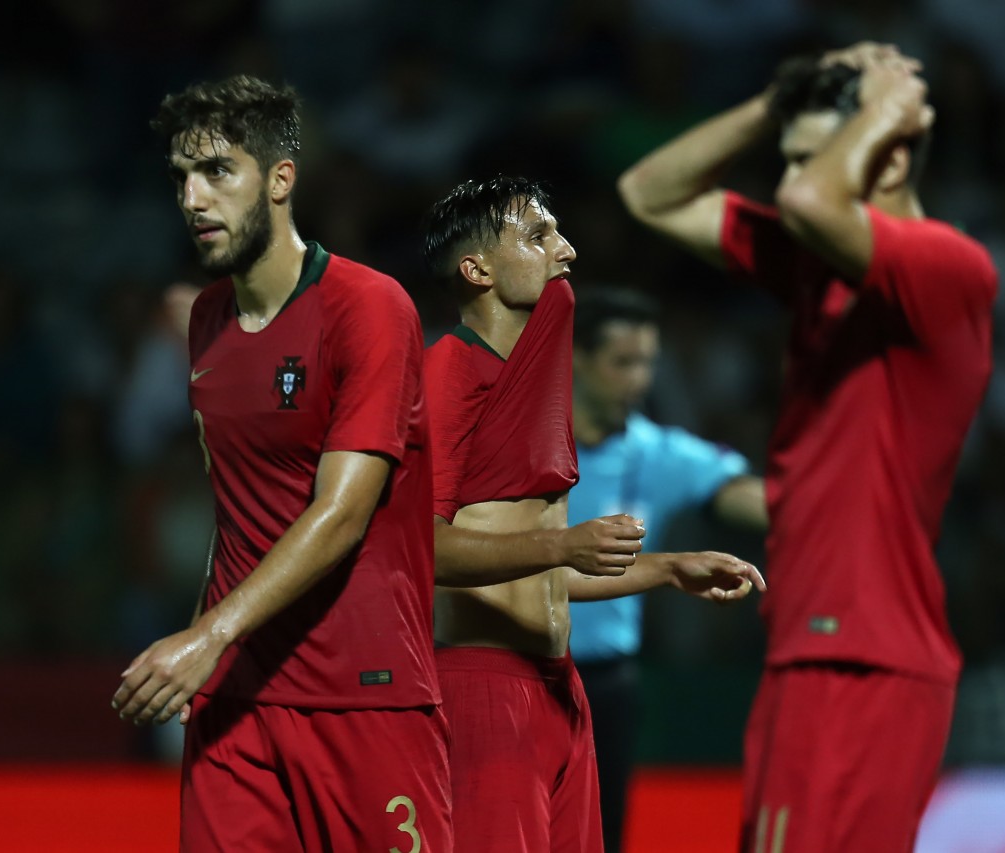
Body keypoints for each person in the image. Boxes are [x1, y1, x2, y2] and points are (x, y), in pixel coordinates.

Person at [618, 42, 997, 852]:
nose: (786, 179)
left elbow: (812, 204)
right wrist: (773, 102)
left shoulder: (946, 269)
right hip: (816, 642)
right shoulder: (816, 270)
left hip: (862, 650)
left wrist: (886, 108)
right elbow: (648, 194)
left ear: (889, 157)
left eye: (807, 158)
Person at [110, 75, 452, 852]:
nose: (193, 199)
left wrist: (207, 633)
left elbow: (342, 512)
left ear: (280, 179)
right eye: (181, 177)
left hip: (364, 692)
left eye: (218, 172)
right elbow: (239, 507)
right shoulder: (203, 318)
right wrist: (214, 645)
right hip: (238, 700)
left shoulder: (369, 306)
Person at [421, 175, 765, 853]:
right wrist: (564, 546)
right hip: (486, 687)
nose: (568, 250)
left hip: (560, 685)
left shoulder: (536, 385)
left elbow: (539, 571)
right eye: (540, 235)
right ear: (477, 268)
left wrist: (666, 568)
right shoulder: (449, 375)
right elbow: (423, 550)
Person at [569, 287, 768, 853]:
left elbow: (737, 490)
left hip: (607, 685)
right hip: (516, 667)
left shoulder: (656, 453)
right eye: (623, 362)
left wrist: (814, 503)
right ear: (577, 358)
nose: (639, 378)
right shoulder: (523, 447)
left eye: (649, 362)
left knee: (602, 839)